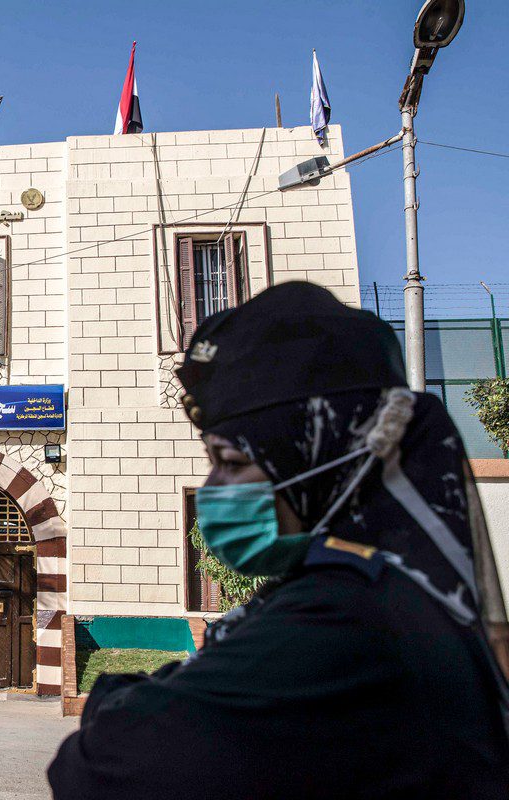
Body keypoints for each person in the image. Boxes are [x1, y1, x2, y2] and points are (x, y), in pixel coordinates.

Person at [48, 282, 509, 798]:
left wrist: (115, 699)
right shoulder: (398, 596)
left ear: (320, 457)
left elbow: (96, 771)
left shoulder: (345, 619)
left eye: (233, 462)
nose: (211, 491)